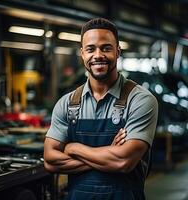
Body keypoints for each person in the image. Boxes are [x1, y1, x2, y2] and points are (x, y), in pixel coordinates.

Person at [44, 18, 158, 200]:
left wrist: (74, 148)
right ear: (82, 54)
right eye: (90, 49)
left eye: (106, 48)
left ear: (118, 52)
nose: (98, 55)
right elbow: (50, 160)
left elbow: (123, 161)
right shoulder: (66, 103)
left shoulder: (140, 100)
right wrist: (108, 153)